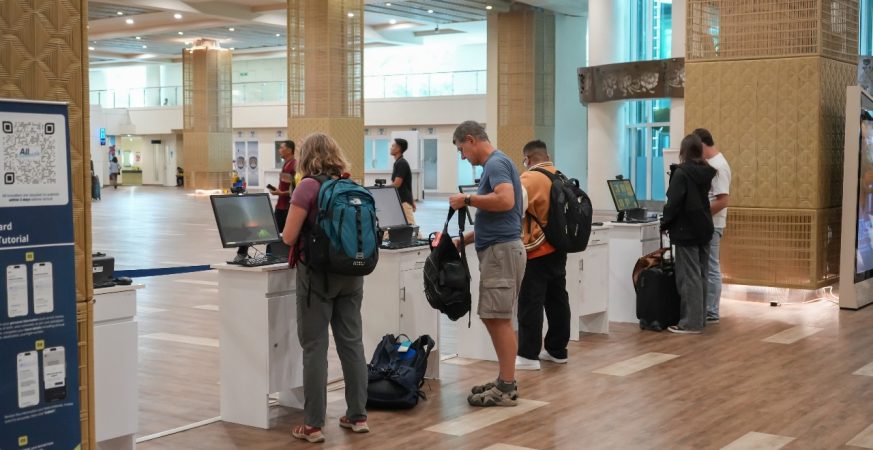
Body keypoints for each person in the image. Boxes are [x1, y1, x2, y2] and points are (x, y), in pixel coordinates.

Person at [282, 133, 369, 443]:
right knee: (351, 343)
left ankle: (314, 425)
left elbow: (290, 236)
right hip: (352, 273)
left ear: (306, 157)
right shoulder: (350, 183)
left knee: (315, 348)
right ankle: (357, 416)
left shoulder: (308, 186)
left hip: (317, 277)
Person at [449, 120, 526, 406]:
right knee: (494, 317)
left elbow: (505, 201)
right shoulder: (496, 165)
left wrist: (467, 199)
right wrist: (464, 240)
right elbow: (499, 217)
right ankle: (504, 380)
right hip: (500, 250)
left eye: (461, 149)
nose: (462, 156)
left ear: (471, 139)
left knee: (499, 319)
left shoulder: (495, 164)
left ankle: (506, 387)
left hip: (502, 253)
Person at [515, 140, 570, 371]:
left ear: (528, 159)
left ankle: (528, 354)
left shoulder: (528, 179)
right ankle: (557, 350)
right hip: (559, 246)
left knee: (531, 302)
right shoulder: (561, 176)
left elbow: (514, 208)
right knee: (557, 299)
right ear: (546, 155)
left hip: (536, 248)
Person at [661, 134, 716, 334]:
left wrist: (665, 223)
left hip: (686, 230)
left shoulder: (681, 174)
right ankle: (699, 319)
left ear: (684, 151)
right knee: (701, 274)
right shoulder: (706, 172)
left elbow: (673, 203)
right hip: (704, 227)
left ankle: (690, 323)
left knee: (689, 276)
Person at [693, 128, 731, 324]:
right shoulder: (712, 164)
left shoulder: (718, 166)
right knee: (707, 266)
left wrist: (701, 216)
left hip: (712, 224)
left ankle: (712, 310)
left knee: (711, 267)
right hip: (710, 223)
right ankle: (707, 308)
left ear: (702, 145)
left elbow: (722, 200)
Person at [269, 140, 297, 231]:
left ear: (289, 150)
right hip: (280, 205)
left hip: (288, 207)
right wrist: (279, 191)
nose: (279, 150)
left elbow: (295, 190)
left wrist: (281, 193)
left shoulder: (294, 165)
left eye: (281, 147)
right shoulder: (285, 164)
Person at [390, 137, 416, 225]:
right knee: (392, 225)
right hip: (400, 200)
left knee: (411, 227)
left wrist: (383, 188)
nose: (391, 148)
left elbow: (397, 184)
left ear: (398, 149)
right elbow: (407, 185)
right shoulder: (398, 162)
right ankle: (386, 238)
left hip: (404, 201)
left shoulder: (402, 163)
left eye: (393, 146)